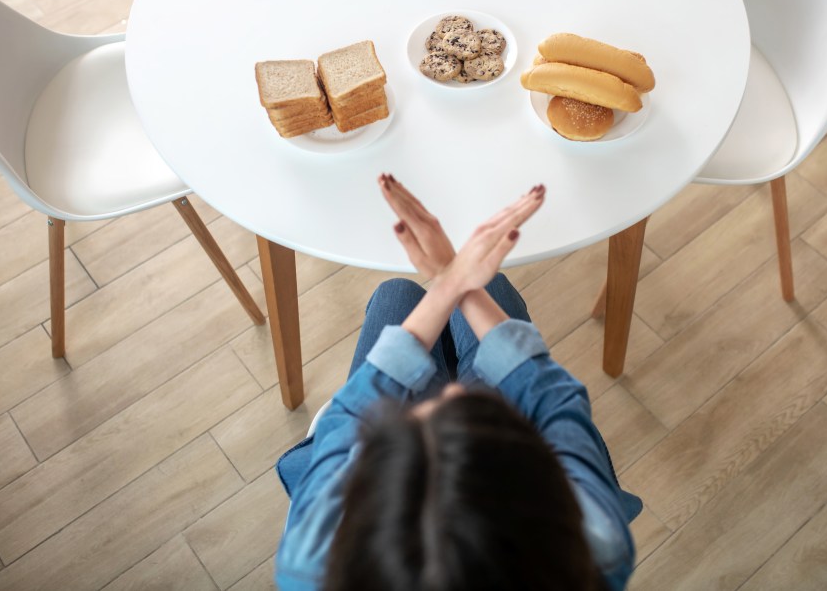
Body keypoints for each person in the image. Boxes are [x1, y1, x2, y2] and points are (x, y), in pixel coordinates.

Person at [274, 175, 641, 591]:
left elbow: (349, 415)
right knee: (496, 286)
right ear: (541, 485)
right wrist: (462, 285)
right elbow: (555, 401)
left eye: (417, 418)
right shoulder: (597, 545)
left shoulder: (311, 564)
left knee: (395, 294)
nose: (452, 391)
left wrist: (450, 283)